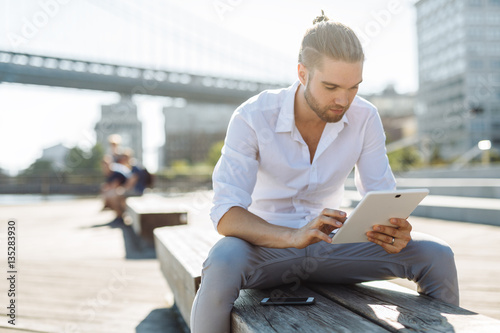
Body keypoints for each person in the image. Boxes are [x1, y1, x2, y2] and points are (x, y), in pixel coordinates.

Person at [190, 12, 459, 333]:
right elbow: (226, 215)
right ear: (302, 73)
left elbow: (383, 196)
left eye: (354, 87)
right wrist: (291, 236)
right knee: (222, 260)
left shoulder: (365, 117)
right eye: (331, 86)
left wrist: (392, 230)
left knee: (437, 255)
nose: (343, 99)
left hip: (333, 246)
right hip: (267, 249)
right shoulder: (252, 116)